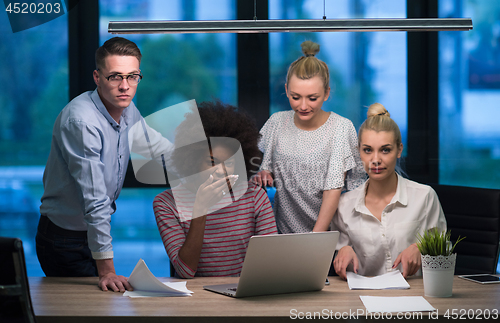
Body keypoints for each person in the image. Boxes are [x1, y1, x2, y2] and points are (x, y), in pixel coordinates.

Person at [36, 37, 171, 292]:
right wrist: (107, 271)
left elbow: (155, 145)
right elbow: (95, 199)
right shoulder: (81, 121)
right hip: (64, 240)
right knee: (90, 309)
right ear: (97, 78)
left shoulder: (128, 109)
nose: (125, 86)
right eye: (115, 77)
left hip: (87, 233)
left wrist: (201, 163)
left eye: (133, 77)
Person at [153, 101, 278, 278]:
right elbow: (185, 271)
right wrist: (200, 209)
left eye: (230, 163)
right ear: (193, 161)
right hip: (195, 299)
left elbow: (271, 262)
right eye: (212, 162)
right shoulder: (167, 203)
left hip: (243, 294)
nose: (221, 171)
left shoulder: (254, 196)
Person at [252, 40, 365, 233]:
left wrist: (315, 239)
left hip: (330, 235)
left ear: (327, 93)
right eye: (295, 97)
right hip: (283, 234)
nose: (303, 106)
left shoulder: (341, 127)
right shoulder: (277, 122)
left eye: (312, 98)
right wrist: (262, 172)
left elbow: (334, 189)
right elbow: (258, 163)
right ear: (286, 89)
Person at [332, 103, 447, 280]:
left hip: (415, 298)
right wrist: (343, 251)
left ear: (399, 150)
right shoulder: (344, 205)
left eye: (385, 150)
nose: (376, 160)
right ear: (359, 152)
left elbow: (444, 258)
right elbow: (341, 260)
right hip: (362, 300)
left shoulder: (425, 197)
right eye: (368, 150)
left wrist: (421, 249)